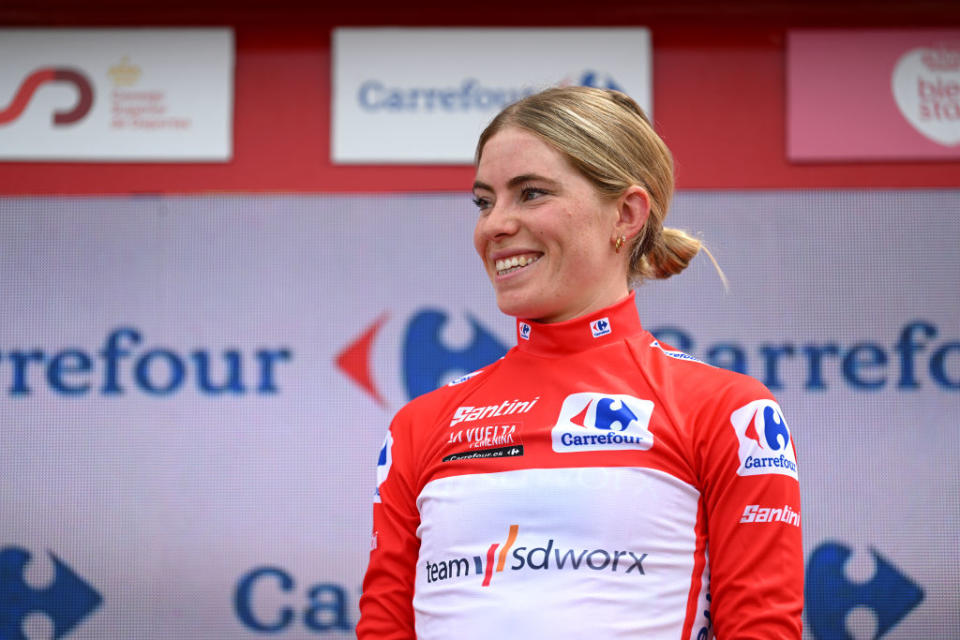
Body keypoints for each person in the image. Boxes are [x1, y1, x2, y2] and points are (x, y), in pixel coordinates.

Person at [357, 86, 803, 639]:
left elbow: (761, 628)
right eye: (484, 201)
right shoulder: (421, 425)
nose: (494, 224)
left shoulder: (726, 410)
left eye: (532, 193)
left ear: (626, 212)